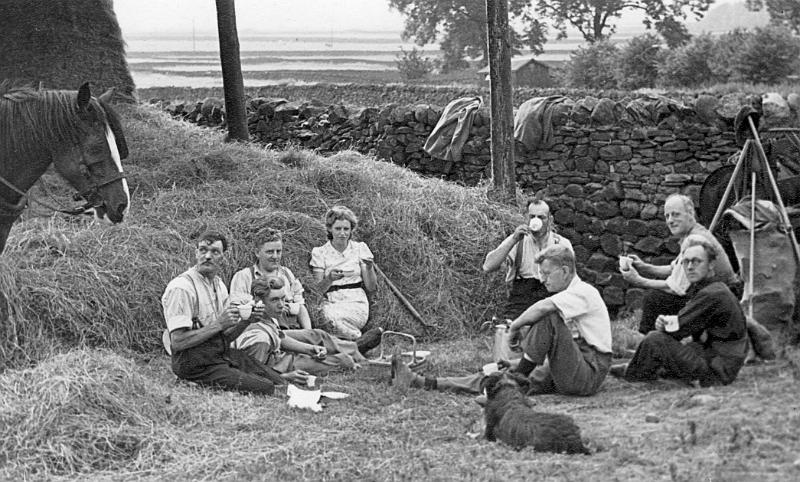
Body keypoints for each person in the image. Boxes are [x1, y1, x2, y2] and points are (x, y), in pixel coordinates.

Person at [393, 244, 612, 397]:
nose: (542, 279)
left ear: (565, 271)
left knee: (549, 317)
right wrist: (519, 362)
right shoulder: (569, 297)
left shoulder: (584, 292)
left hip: (589, 372)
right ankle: (421, 381)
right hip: (576, 366)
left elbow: (545, 310)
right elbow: (562, 348)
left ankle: (516, 380)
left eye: (547, 273)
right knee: (499, 375)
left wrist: (515, 326)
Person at [161, 231, 306, 396]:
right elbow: (178, 342)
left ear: (224, 256)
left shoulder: (219, 285)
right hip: (192, 362)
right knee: (265, 388)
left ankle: (277, 378)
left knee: (279, 381)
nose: (207, 256)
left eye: (215, 252)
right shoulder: (182, 288)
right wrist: (218, 324)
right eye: (203, 250)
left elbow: (225, 338)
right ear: (196, 253)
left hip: (218, 353)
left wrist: (246, 322)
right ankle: (192, 380)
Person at [611, 236, 748, 386]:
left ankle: (634, 376)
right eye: (686, 262)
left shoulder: (712, 294)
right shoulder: (712, 288)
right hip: (717, 359)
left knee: (655, 339)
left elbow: (676, 330)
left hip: (717, 370)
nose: (690, 267)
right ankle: (644, 368)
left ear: (711, 264)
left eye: (697, 261)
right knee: (676, 344)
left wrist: (662, 324)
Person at [621, 193, 738, 335]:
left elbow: (676, 288)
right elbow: (674, 269)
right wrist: (644, 266)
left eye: (675, 214)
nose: (670, 220)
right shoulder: (691, 233)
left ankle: (649, 342)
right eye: (667, 216)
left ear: (690, 214)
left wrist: (638, 280)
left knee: (655, 298)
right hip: (712, 294)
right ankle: (655, 341)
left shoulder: (696, 238)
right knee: (659, 295)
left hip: (720, 300)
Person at [233, 277, 366, 376]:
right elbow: (254, 374)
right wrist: (286, 377)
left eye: (283, 298)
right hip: (277, 366)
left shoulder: (266, 315)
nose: (281, 305)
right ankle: (357, 350)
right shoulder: (258, 338)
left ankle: (353, 349)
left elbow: (279, 337)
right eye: (274, 300)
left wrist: (310, 349)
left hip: (280, 356)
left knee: (317, 335)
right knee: (344, 362)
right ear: (258, 301)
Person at [483, 197, 573, 320]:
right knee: (509, 330)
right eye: (532, 217)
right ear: (526, 218)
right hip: (522, 298)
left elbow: (571, 281)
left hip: (551, 297)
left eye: (541, 217)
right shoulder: (517, 241)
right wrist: (513, 240)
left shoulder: (562, 244)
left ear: (550, 220)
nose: (536, 221)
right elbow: (488, 266)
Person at [310, 205, 379, 341]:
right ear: (330, 229)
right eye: (338, 228)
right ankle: (357, 340)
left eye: (346, 229)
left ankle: (349, 341)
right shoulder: (320, 252)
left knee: (333, 320)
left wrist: (369, 268)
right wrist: (329, 279)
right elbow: (316, 291)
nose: (342, 233)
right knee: (326, 316)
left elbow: (371, 287)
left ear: (351, 229)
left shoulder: (360, 248)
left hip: (356, 301)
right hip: (331, 300)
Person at [230, 229, 311, 330]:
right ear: (257, 252)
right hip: (262, 330)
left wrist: (309, 332)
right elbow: (237, 313)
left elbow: (301, 307)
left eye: (278, 251)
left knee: (318, 336)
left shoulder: (287, 274)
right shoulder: (244, 277)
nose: (275, 256)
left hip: (292, 328)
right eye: (270, 252)